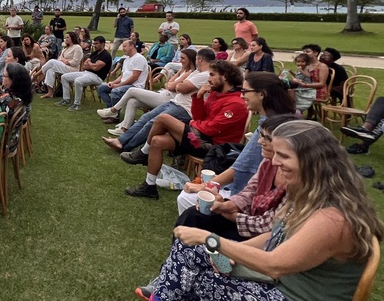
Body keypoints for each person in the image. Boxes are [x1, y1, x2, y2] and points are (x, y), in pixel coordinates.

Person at [104, 120, 384, 301]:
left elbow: (274, 264)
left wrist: (212, 240)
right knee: (191, 262)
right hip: (282, 294)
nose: (274, 162)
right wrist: (224, 250)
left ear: (313, 160)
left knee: (192, 284)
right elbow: (271, 237)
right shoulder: (311, 196)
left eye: (283, 156)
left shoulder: (332, 219)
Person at [126, 60, 248, 200]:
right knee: (157, 141)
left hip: (214, 148)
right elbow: (200, 117)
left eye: (212, 75)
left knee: (163, 119)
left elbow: (211, 129)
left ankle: (143, 153)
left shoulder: (236, 103)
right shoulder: (216, 93)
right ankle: (149, 186)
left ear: (225, 76)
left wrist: (193, 123)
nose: (208, 79)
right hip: (201, 137)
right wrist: (199, 97)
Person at [175, 72, 296, 209]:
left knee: (186, 198)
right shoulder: (278, 119)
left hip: (250, 194)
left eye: (245, 91)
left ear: (262, 94)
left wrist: (208, 185)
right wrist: (198, 97)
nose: (241, 95)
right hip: (251, 187)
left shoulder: (271, 127)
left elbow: (243, 166)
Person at [173, 114, 295, 241]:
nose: (259, 141)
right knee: (193, 215)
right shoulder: (268, 162)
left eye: (267, 138)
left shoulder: (296, 181)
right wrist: (227, 205)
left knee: (190, 206)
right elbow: (250, 191)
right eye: (260, 135)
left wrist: (228, 212)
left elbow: (267, 226)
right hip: (249, 217)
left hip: (264, 237)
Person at [113, 49, 214, 157]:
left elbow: (180, 87)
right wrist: (178, 84)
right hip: (174, 102)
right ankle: (121, 141)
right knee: (146, 117)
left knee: (151, 122)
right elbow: (173, 85)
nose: (180, 60)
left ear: (200, 59)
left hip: (183, 108)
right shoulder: (196, 72)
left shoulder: (204, 75)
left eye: (183, 58)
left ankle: (127, 146)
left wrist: (179, 84)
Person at [57, 35, 113, 111]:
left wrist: (90, 64)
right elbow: (84, 65)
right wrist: (92, 65)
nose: (94, 45)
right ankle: (66, 99)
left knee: (78, 81)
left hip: (97, 77)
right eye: (94, 43)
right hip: (86, 73)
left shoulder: (105, 55)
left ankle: (77, 104)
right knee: (64, 77)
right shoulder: (95, 53)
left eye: (96, 44)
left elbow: (96, 68)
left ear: (102, 44)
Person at [97, 39, 149, 107]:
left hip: (135, 86)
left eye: (124, 46)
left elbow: (135, 77)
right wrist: (113, 83)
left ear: (132, 46)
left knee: (115, 91)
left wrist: (119, 85)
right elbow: (122, 75)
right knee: (101, 88)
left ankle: (114, 113)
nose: (122, 49)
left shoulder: (139, 58)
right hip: (124, 84)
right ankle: (111, 108)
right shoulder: (126, 59)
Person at [39, 31, 84, 99]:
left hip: (72, 69)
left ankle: (37, 76)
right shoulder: (65, 48)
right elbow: (59, 59)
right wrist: (62, 61)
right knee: (50, 70)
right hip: (63, 66)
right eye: (65, 37)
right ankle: (50, 92)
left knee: (52, 61)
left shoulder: (77, 47)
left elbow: (76, 62)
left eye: (67, 37)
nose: (66, 39)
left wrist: (67, 61)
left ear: (72, 38)